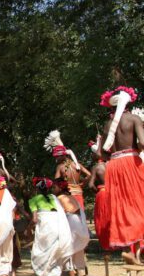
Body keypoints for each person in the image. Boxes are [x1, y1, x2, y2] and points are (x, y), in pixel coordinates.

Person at [98, 86, 144, 264]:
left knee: (121, 206)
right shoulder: (133, 119)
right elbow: (143, 143)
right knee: (138, 203)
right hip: (131, 163)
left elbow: (102, 153)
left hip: (114, 166)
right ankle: (139, 246)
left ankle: (127, 249)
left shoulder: (108, 125)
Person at [28, 177, 74, 276]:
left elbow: (34, 219)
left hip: (45, 230)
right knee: (55, 256)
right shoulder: (54, 199)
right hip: (57, 228)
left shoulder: (34, 200)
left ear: (36, 188)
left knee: (44, 256)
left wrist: (28, 228)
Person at [52, 178, 90, 276]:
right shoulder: (71, 197)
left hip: (71, 224)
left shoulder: (58, 199)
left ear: (60, 187)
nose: (53, 190)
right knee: (78, 251)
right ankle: (80, 275)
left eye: (54, 187)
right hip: (80, 226)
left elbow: (58, 215)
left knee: (67, 252)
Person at [44, 130, 91, 209]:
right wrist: (82, 185)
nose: (56, 158)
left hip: (68, 196)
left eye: (57, 156)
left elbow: (56, 184)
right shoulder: (77, 165)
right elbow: (89, 175)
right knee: (80, 216)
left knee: (70, 217)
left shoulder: (60, 167)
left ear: (63, 156)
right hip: (79, 193)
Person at [88, 140, 111, 251]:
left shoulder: (97, 167)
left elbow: (90, 184)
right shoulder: (112, 165)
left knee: (101, 219)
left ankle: (106, 245)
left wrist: (97, 191)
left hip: (102, 193)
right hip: (113, 194)